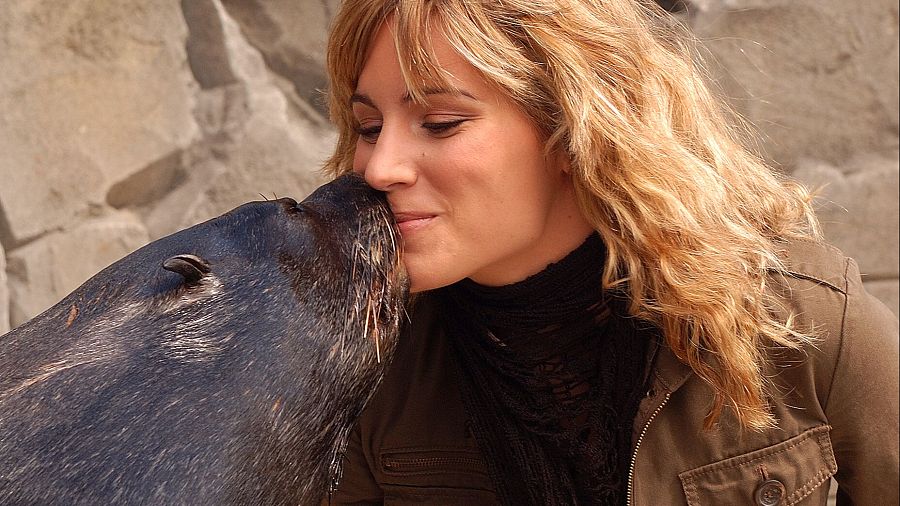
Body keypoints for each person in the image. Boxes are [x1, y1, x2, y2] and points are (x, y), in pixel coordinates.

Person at [320, 0, 900, 504]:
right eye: (368, 127)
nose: (380, 166)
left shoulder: (799, 320)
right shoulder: (363, 363)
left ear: (575, 129)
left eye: (440, 122)